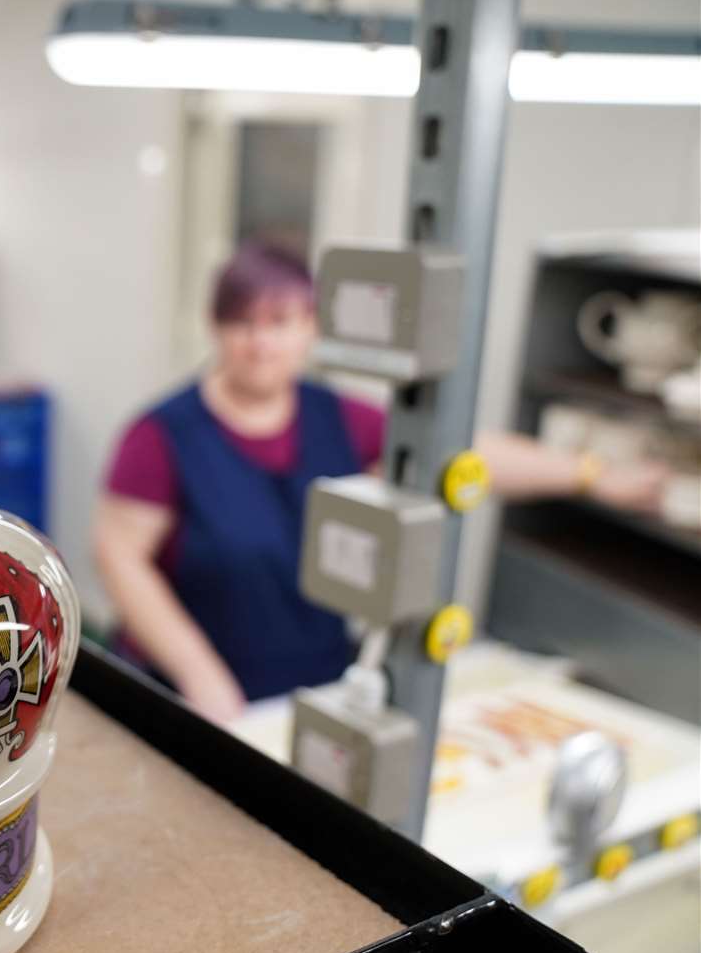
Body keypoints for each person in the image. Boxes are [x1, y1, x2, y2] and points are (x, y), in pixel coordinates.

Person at [95, 242, 668, 723]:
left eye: (281, 322)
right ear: (215, 328)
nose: (261, 342)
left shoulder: (339, 418)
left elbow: (462, 456)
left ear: (311, 328)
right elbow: (121, 558)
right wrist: (200, 676)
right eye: (242, 322)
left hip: (309, 684)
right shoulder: (161, 435)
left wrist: (592, 475)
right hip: (190, 692)